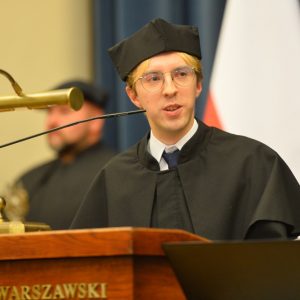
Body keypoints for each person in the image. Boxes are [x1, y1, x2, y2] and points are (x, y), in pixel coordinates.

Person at [70, 18, 300, 240]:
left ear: (198, 84)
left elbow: (271, 264)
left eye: (181, 74)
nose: (170, 89)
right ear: (133, 96)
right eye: (153, 79)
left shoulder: (252, 162)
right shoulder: (114, 179)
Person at [5, 80, 116, 230]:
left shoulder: (115, 173)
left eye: (64, 111)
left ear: (95, 121)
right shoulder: (30, 180)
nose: (52, 121)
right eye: (49, 112)